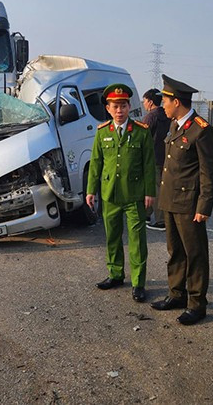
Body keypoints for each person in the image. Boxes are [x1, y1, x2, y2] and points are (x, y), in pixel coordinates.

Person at [150, 74, 213, 325]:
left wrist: (204, 206)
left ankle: (197, 304)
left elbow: (207, 172)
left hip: (189, 204)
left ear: (176, 101)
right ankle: (176, 294)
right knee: (175, 250)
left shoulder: (201, 130)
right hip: (170, 200)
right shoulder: (175, 124)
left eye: (165, 101)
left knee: (195, 253)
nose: (162, 106)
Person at [86, 83, 156, 303]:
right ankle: (115, 274)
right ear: (108, 108)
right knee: (112, 237)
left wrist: (149, 192)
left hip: (134, 195)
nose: (119, 110)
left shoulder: (141, 132)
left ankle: (138, 282)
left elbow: (148, 164)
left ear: (128, 107)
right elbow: (96, 163)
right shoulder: (102, 132)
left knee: (137, 240)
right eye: (115, 106)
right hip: (110, 195)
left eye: (123, 105)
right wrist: (91, 190)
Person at [141, 88, 171, 231]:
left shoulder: (150, 117)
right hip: (165, 155)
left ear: (150, 102)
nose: (143, 103)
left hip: (152, 157)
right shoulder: (167, 114)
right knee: (158, 186)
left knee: (154, 188)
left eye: (144, 101)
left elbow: (142, 137)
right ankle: (146, 214)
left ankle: (161, 220)